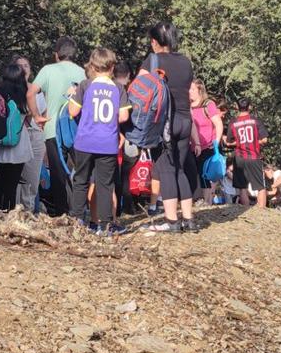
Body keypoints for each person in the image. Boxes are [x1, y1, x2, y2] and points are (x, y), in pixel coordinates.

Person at [138, 22, 197, 232]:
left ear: (154, 42)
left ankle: (172, 221)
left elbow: (139, 89)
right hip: (184, 120)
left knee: (166, 170)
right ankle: (189, 220)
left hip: (164, 123)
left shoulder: (152, 61)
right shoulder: (185, 62)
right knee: (180, 168)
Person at [67, 47, 130, 232]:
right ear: (112, 68)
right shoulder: (118, 88)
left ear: (92, 66)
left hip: (85, 141)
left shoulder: (85, 85)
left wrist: (72, 95)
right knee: (105, 185)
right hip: (107, 143)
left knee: (81, 181)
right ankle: (105, 225)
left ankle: (76, 221)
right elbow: (124, 116)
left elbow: (73, 111)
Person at [30, 37, 85, 216]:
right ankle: (80, 211)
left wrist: (37, 116)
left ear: (56, 54)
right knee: (82, 172)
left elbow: (30, 93)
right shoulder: (82, 72)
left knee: (58, 173)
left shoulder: (48, 70)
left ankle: (62, 213)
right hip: (78, 129)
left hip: (52, 128)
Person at [0, 62, 33, 211]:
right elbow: (29, 120)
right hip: (19, 144)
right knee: (12, 187)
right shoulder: (25, 97)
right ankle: (8, 217)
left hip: (0, 145)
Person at [12, 55, 46, 213]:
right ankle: (16, 211)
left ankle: (29, 211)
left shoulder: (37, 90)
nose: (24, 68)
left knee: (33, 178)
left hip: (36, 135)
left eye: (27, 65)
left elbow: (44, 113)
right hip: (19, 136)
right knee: (18, 177)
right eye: (20, 65)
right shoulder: (11, 90)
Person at [226, 98, 269, 209]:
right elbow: (264, 139)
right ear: (249, 107)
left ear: (237, 106)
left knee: (242, 186)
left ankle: (246, 210)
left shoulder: (233, 122)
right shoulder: (255, 120)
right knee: (260, 186)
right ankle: (262, 211)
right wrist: (255, 142)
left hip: (239, 157)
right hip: (254, 156)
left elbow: (229, 141)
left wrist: (240, 142)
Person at [189, 80, 224, 205]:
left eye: (192, 89)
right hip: (192, 147)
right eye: (189, 89)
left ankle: (207, 202)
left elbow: (218, 123)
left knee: (205, 175)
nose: (190, 92)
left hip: (208, 145)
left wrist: (216, 142)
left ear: (200, 90)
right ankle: (199, 201)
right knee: (195, 174)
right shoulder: (187, 106)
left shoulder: (208, 104)